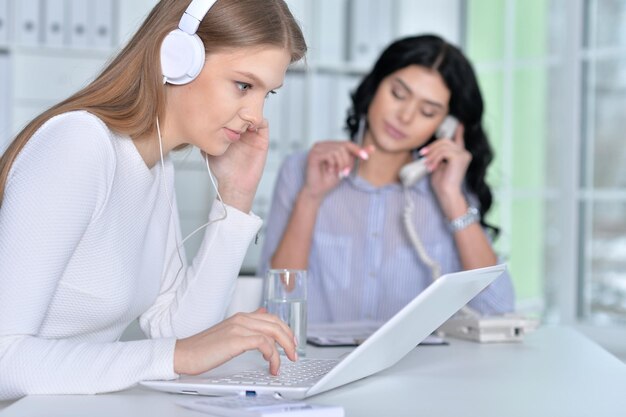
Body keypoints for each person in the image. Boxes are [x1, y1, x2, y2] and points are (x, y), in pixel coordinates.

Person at [0, 0, 306, 401]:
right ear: (176, 56)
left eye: (269, 94)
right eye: (244, 85)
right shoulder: (79, 143)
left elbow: (178, 335)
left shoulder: (156, 169)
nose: (255, 114)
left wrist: (236, 200)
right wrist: (178, 354)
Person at [258, 34, 515, 324]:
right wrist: (311, 197)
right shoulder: (301, 171)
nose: (404, 116)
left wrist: (453, 199)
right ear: (374, 86)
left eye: (427, 111)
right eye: (398, 94)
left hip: (418, 368)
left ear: (446, 126)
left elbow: (498, 309)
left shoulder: (451, 188)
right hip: (318, 366)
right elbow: (275, 306)